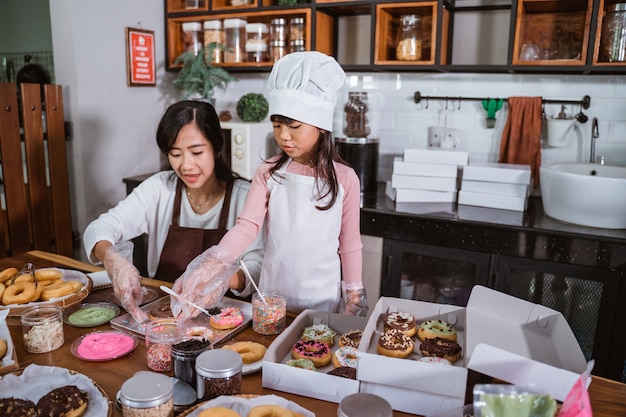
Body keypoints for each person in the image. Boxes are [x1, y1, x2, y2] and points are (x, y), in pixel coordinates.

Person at [171, 51, 368, 319]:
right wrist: (215, 262)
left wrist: (354, 292)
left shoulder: (345, 179)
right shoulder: (268, 172)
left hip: (321, 300)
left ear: (321, 125)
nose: (283, 136)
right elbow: (247, 226)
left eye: (294, 126)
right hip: (271, 297)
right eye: (276, 126)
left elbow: (349, 244)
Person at [83, 101, 264, 323]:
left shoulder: (246, 197)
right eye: (175, 154)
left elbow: (258, 269)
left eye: (197, 152)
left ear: (217, 148)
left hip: (225, 320)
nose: (186, 165)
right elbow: (99, 229)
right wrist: (113, 261)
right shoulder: (159, 189)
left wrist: (224, 278)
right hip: (164, 320)